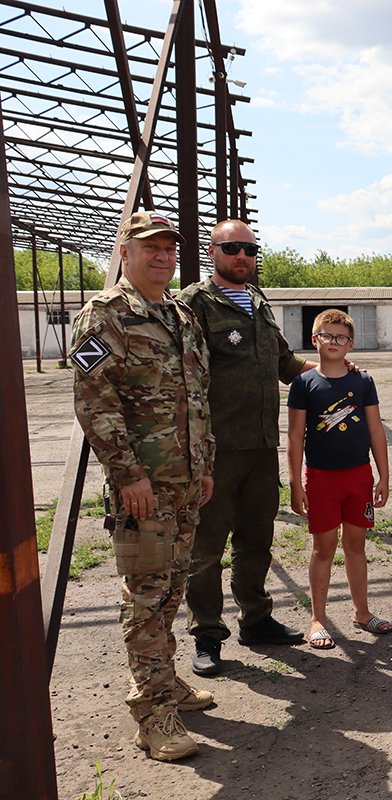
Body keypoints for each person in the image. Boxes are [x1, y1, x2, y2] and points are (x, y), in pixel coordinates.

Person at [69, 211, 216, 762]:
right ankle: (153, 716)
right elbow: (94, 403)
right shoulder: (104, 317)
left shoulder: (179, 315)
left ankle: (166, 682)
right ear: (124, 251)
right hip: (144, 491)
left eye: (169, 248)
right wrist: (128, 475)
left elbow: (197, 397)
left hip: (183, 484)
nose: (162, 256)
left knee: (172, 589)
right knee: (146, 598)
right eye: (149, 247)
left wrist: (204, 467)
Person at [180, 220, 312, 677]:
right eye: (233, 248)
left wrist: (330, 370)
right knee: (207, 548)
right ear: (213, 252)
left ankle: (256, 621)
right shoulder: (193, 304)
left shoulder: (257, 301)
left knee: (257, 540)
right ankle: (208, 636)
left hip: (259, 447)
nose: (242, 256)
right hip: (216, 450)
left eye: (250, 249)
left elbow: (283, 363)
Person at [286, 309, 391, 648]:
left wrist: (383, 475)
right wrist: (294, 482)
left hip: (358, 477)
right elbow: (295, 436)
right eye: (327, 336)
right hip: (321, 480)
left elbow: (375, 430)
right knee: (323, 549)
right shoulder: (304, 384)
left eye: (341, 337)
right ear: (313, 340)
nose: (334, 342)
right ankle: (318, 619)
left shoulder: (363, 381)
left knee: (356, 546)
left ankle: (362, 612)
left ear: (351, 344)